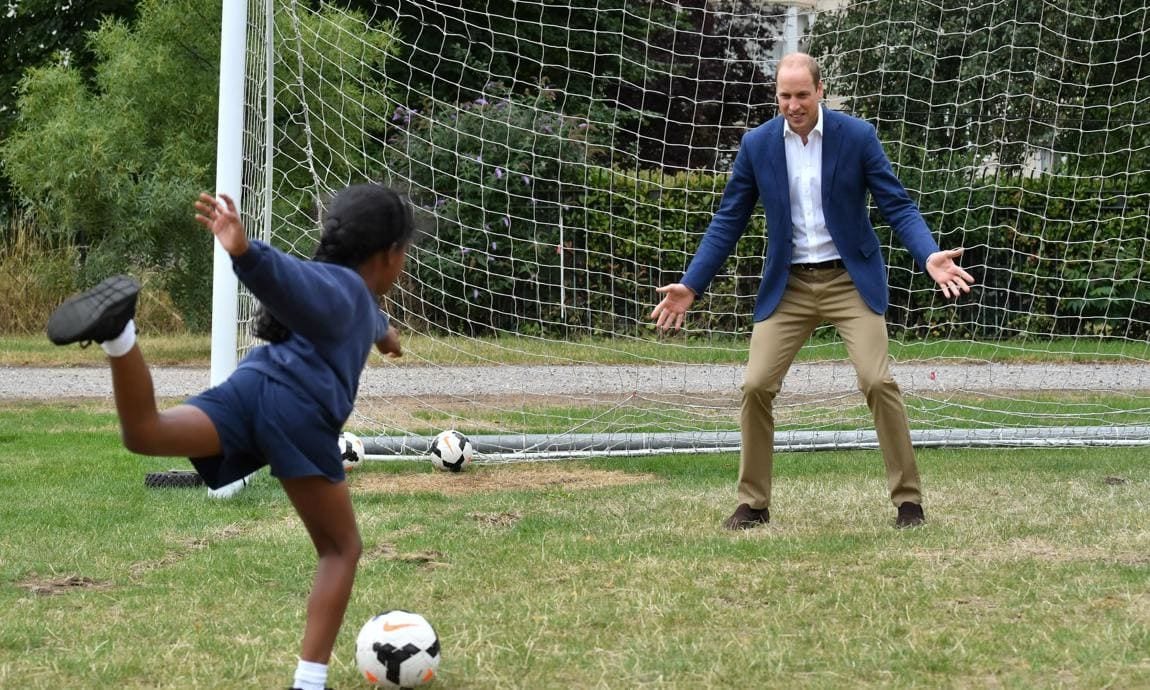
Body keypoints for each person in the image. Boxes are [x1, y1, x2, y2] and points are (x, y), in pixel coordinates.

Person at [45, 183, 415, 690]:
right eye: (406, 254)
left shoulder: (353, 295)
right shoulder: (343, 291)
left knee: (146, 433)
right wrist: (245, 250)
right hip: (298, 411)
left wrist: (383, 330)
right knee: (340, 549)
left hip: (255, 385)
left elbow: (348, 303)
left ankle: (119, 334)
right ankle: (309, 683)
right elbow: (296, 282)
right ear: (390, 255)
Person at [650, 53, 974, 530]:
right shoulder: (757, 145)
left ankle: (909, 502)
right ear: (776, 95)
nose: (793, 104)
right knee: (756, 385)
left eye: (802, 94)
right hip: (790, 285)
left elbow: (897, 205)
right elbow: (728, 220)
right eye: (785, 95)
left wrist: (927, 255)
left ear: (821, 91)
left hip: (849, 280)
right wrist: (692, 285)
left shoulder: (856, 137)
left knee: (878, 382)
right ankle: (753, 505)